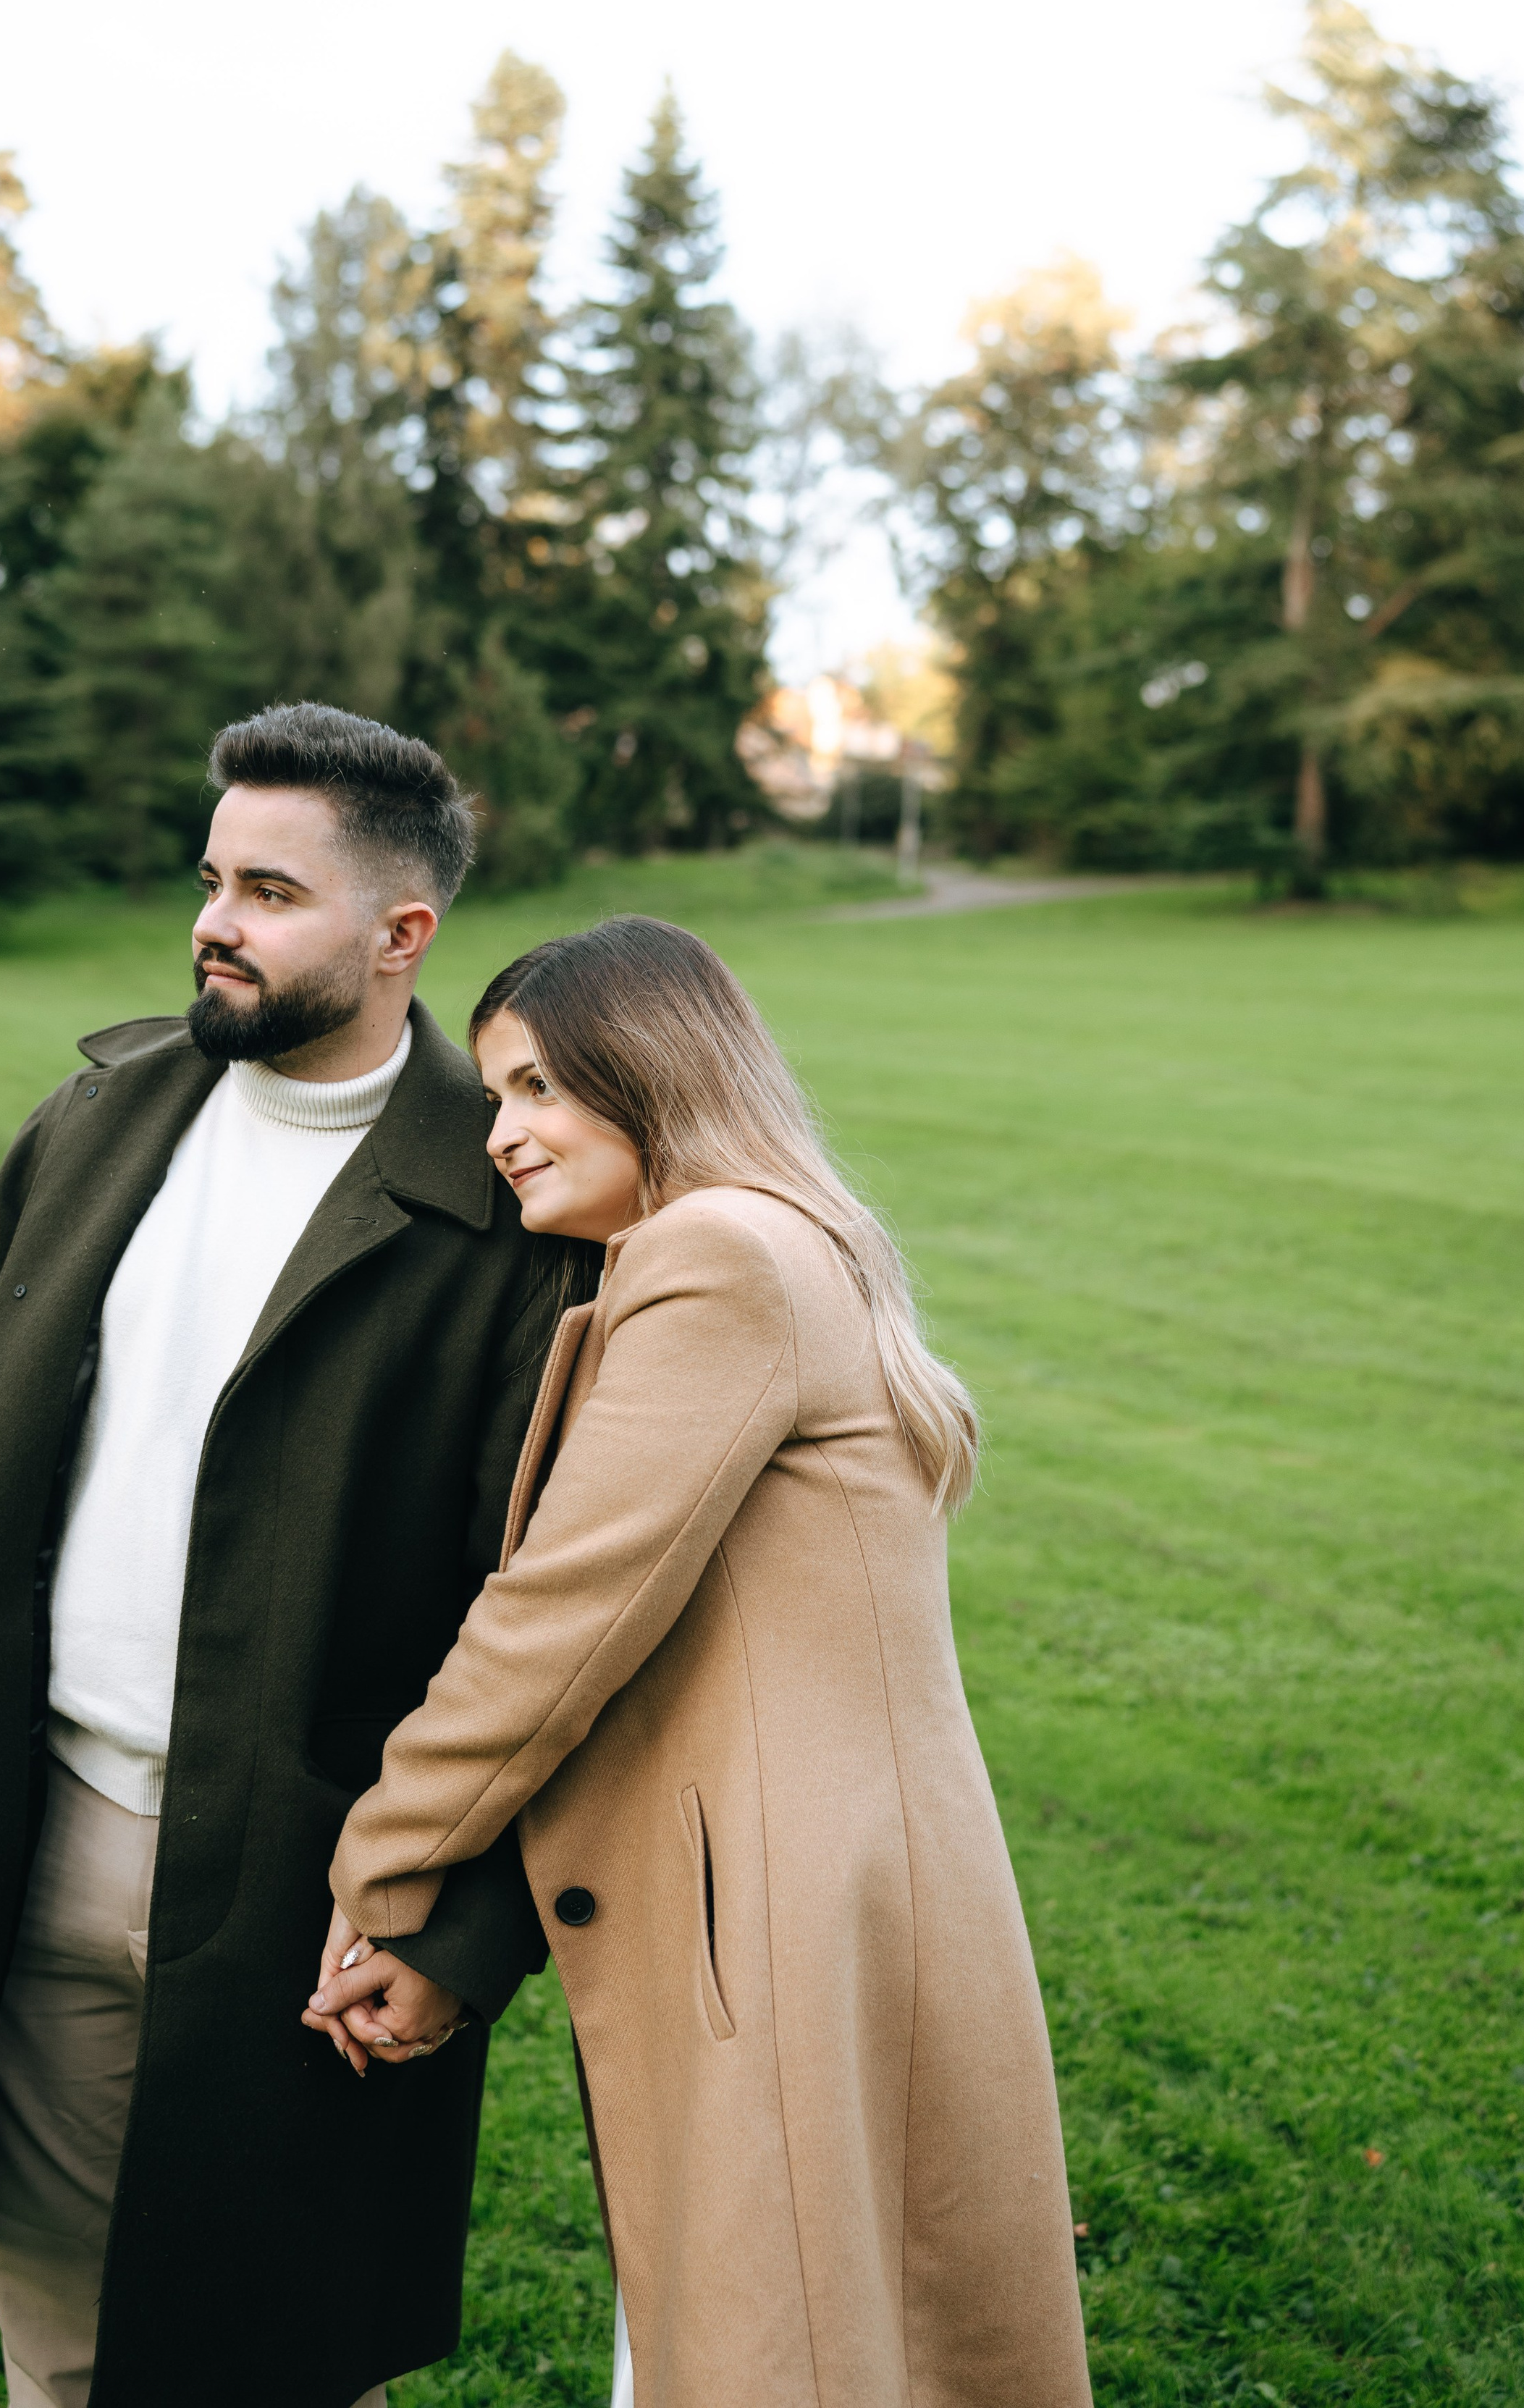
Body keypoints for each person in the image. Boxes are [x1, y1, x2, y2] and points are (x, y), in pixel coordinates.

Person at [0, 704, 581, 2408]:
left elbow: (561, 1618)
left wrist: (459, 1930)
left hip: (316, 1892)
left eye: (269, 890)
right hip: (40, 1828)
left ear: (398, 934)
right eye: (212, 879)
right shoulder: (102, 1112)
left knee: (269, 2358)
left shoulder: (506, 1219)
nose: (214, 920)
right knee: (53, 2335)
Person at [308, 915, 1095, 2408]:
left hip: (779, 1911)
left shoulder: (715, 1257)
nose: (501, 1136)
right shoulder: (784, 1244)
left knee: (766, 2338)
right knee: (817, 2326)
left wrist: (378, 1867)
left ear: (650, 1075)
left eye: (537, 1087)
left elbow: (559, 1619)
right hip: (836, 1885)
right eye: (492, 1097)